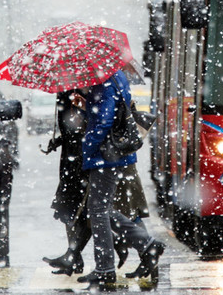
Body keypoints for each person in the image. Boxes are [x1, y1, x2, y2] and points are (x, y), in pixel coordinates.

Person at [42, 90, 150, 276]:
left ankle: (144, 251)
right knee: (77, 208)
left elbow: (106, 117)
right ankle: (78, 256)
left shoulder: (100, 82)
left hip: (103, 156)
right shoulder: (78, 86)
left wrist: (88, 141)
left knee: (114, 209)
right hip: (85, 155)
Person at [75, 69, 164, 288]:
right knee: (100, 209)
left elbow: (105, 122)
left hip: (106, 155)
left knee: (98, 210)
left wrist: (89, 146)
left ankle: (109, 266)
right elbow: (108, 114)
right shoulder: (115, 77)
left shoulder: (103, 82)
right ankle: (143, 247)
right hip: (112, 153)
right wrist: (87, 107)